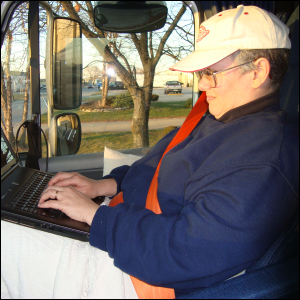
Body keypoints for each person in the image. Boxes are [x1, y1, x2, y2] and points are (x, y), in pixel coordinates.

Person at [37, 5, 299, 298]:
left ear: (258, 72)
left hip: (138, 275)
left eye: (211, 72)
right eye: (201, 72)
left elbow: (186, 251)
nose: (201, 84)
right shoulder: (218, 119)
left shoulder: (264, 160)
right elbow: (160, 165)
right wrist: (103, 186)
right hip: (127, 233)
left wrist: (96, 217)